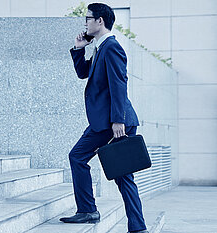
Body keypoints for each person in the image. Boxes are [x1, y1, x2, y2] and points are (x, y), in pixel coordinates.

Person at [59, 3, 148, 233]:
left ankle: (89, 210)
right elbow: (83, 73)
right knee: (122, 175)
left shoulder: (111, 48)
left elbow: (120, 84)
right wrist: (79, 48)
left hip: (113, 123)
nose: (85, 23)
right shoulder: (100, 47)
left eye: (88, 18)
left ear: (100, 21)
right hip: (109, 122)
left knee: (78, 157)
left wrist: (118, 120)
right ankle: (137, 228)